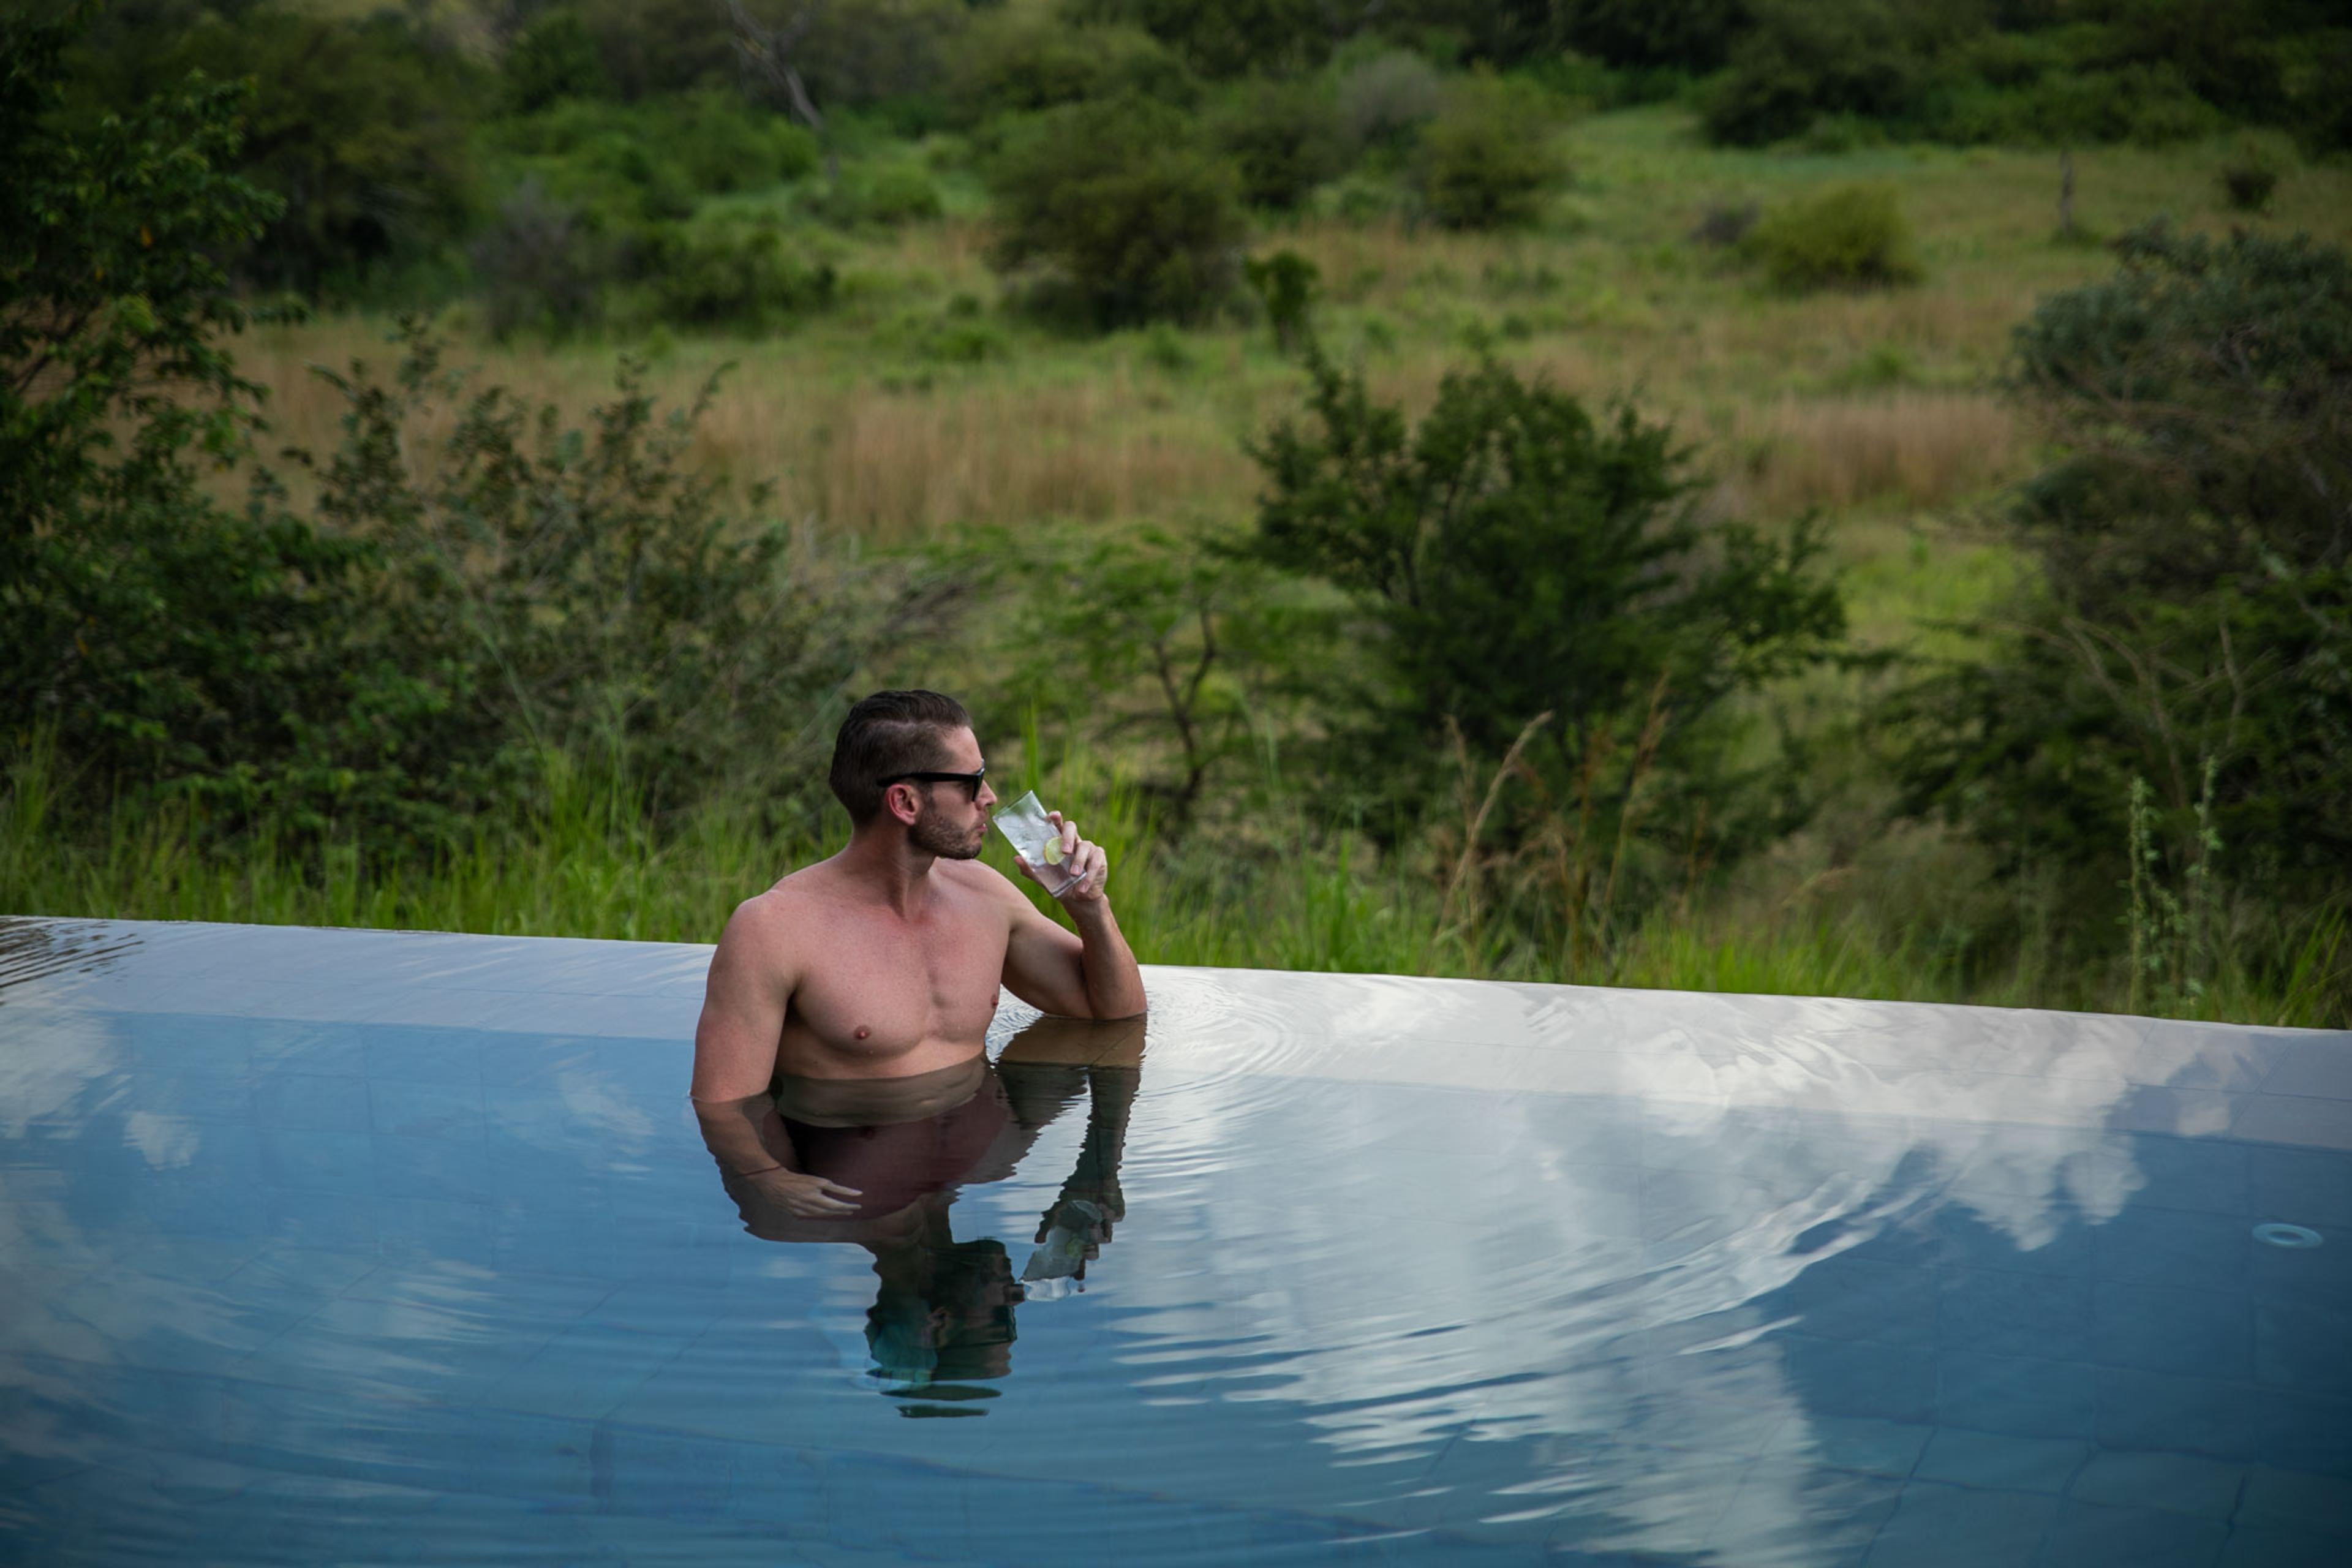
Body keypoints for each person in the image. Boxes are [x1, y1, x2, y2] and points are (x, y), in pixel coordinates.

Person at [690, 689, 1147, 1221]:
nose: (991, 797)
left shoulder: (984, 895)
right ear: (905, 802)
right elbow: (722, 1106)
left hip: (980, 1173)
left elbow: (1116, 1014)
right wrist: (768, 1181)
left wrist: (1090, 908)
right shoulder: (774, 929)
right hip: (856, 1199)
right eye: (972, 783)